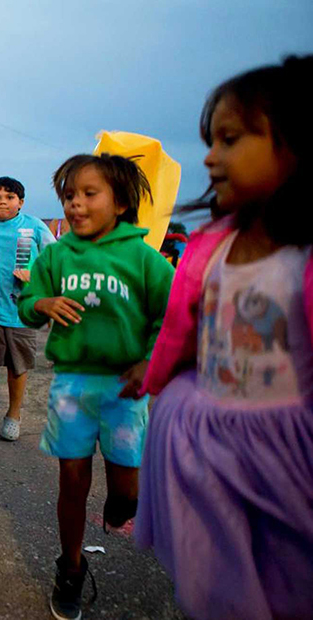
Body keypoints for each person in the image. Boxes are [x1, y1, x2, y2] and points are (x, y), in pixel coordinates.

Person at [137, 55, 313, 620]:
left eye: (231, 138)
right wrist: (155, 374)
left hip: (288, 452)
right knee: (218, 577)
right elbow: (186, 329)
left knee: (289, 575)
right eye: (210, 140)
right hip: (209, 440)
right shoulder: (213, 245)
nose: (211, 156)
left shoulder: (302, 256)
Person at [16, 153, 174, 620]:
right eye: (69, 195)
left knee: (126, 489)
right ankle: (71, 566)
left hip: (125, 390)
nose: (76, 205)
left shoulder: (145, 259)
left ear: (121, 202)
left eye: (89, 194)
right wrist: (41, 301)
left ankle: (123, 504)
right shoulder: (56, 255)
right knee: (72, 480)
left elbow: (171, 318)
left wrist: (150, 360)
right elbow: (25, 303)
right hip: (71, 387)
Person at [0, 176, 56, 441]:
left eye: (9, 197)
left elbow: (55, 259)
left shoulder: (33, 227)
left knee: (18, 368)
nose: (3, 202)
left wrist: (34, 276)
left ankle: (13, 415)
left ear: (21, 202)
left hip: (21, 311)